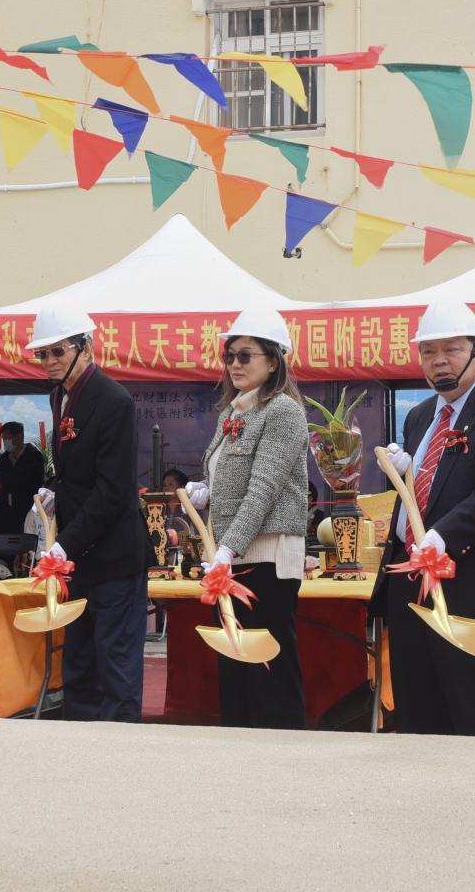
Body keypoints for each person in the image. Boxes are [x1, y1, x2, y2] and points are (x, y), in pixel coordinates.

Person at [375, 300, 475, 737]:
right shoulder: (417, 416)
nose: (438, 361)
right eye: (428, 352)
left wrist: (442, 536)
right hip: (410, 587)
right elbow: (423, 491)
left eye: (450, 349)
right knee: (416, 711)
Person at [182, 309, 309, 730]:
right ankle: (239, 748)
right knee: (235, 661)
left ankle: (283, 748)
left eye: (245, 355)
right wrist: (207, 491)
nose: (234, 364)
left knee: (268, 660)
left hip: (267, 555)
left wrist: (227, 547)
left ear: (273, 360)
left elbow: (264, 488)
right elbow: (235, 482)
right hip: (231, 555)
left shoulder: (284, 412)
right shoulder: (231, 414)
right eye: (229, 355)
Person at [28, 305, 147, 722]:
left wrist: (63, 544)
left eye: (57, 352)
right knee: (78, 664)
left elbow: (113, 491)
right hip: (78, 557)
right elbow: (77, 476)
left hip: (113, 557)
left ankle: (121, 761)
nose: (49, 363)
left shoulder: (115, 401)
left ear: (86, 348)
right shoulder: (59, 395)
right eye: (42, 354)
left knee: (115, 669)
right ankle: (76, 756)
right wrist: (53, 493)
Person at [0, 422, 44, 519]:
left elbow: (37, 482)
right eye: (3, 439)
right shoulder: (2, 460)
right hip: (6, 510)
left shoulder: (34, 456)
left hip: (28, 509)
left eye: (7, 439)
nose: (5, 442)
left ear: (18, 436)